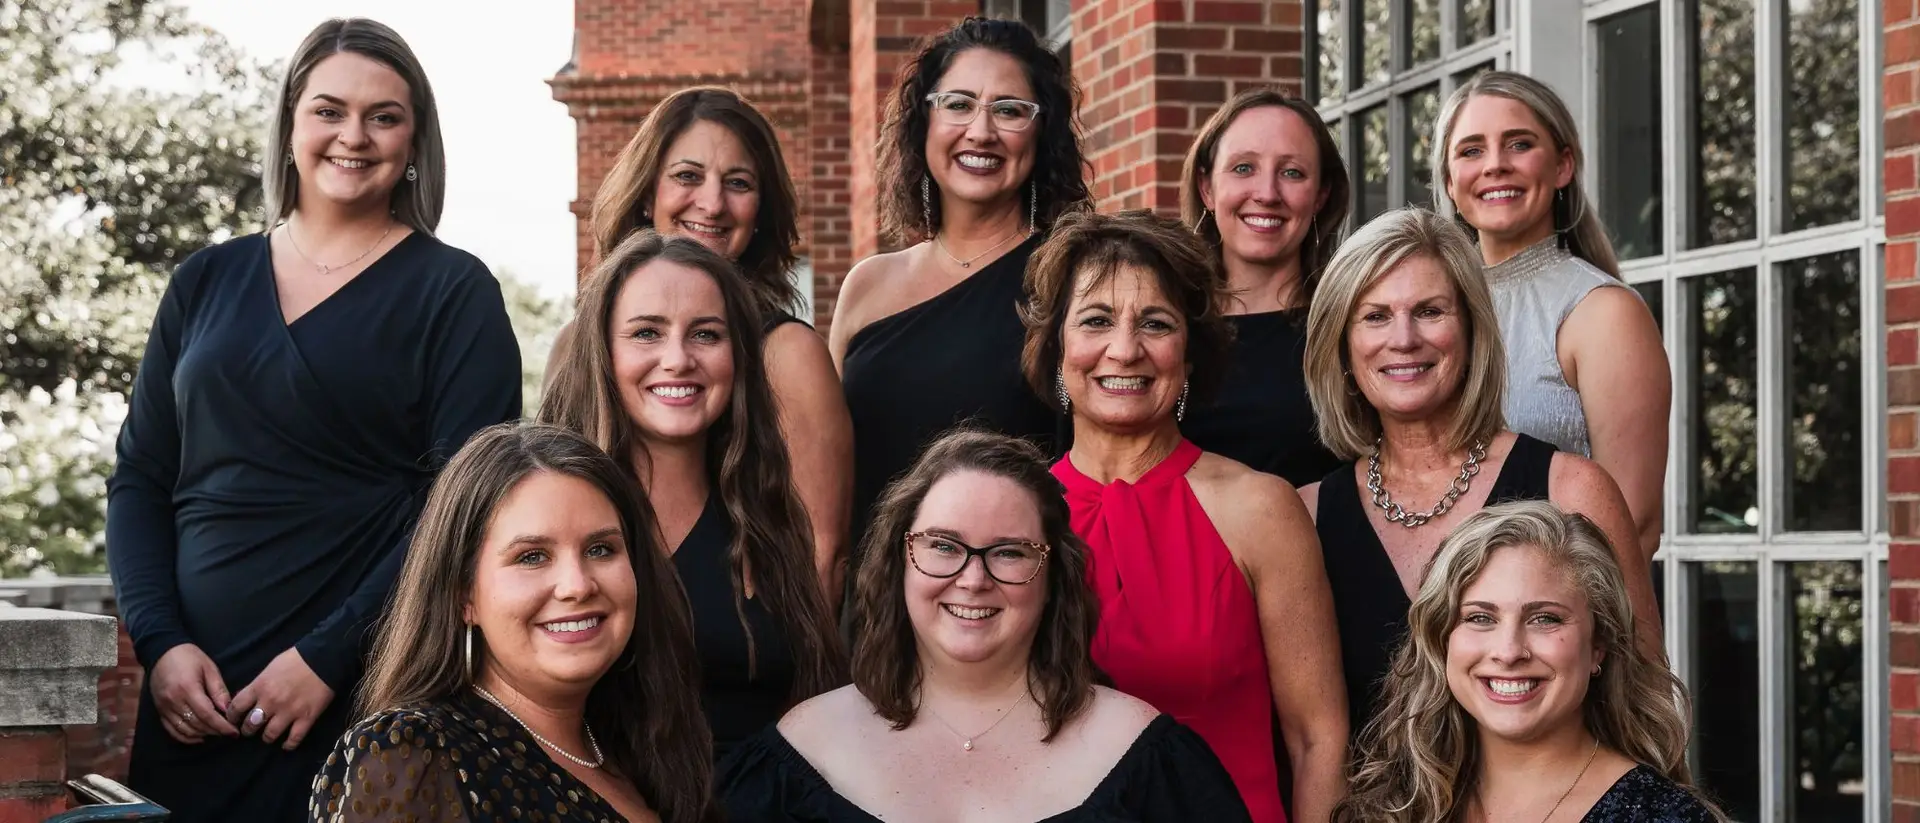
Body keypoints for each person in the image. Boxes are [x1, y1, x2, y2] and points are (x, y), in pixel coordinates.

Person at [105, 18, 521, 821]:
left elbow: (464, 510)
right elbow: (141, 479)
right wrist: (160, 646)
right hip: (195, 701)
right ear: (292, 123)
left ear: (414, 140)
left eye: (384, 116)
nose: (353, 137)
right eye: (329, 110)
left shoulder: (456, 293)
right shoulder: (204, 280)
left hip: (363, 693)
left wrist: (331, 656)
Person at [719, 429, 1254, 822]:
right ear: (898, 560)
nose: (973, 579)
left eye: (1009, 552)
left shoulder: (1145, 759)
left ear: (1053, 578)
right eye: (944, 546)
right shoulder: (796, 759)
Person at [1024, 210, 1347, 823]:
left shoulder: (1261, 509)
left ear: (1189, 354)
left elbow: (1317, 740)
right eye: (1096, 321)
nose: (1125, 349)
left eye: (1155, 323)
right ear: (1056, 349)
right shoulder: (1015, 515)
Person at [1298, 207, 1662, 741]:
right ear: (1343, 348)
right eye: (1374, 316)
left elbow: (1644, 703)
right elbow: (1308, 740)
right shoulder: (1305, 517)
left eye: (1429, 311)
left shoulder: (1573, 491)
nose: (1404, 338)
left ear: (1471, 332)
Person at [540, 231, 845, 763]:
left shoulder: (773, 516)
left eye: (705, 335)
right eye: (646, 334)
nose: (678, 359)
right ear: (603, 353)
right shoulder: (547, 514)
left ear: (739, 356)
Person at [309, 423, 715, 823]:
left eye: (600, 549)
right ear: (463, 595)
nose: (577, 585)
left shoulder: (646, 754)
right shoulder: (412, 754)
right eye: (532, 556)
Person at [549, 87, 852, 603]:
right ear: (647, 194)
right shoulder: (575, 345)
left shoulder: (788, 354)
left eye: (738, 183)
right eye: (688, 176)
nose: (712, 204)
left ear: (761, 210)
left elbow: (822, 560)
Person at [833, 16, 1093, 568]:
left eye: (1009, 110)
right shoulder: (866, 286)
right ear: (924, 120)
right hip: (871, 609)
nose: (981, 131)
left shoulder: (1071, 276)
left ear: (1041, 134)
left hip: (1010, 599)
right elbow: (823, 470)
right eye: (957, 104)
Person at [1333, 500, 1724, 822]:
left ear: (1599, 644)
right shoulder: (1397, 805)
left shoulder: (1666, 817)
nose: (1508, 651)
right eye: (1480, 617)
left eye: (1544, 619)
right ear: (1442, 640)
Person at [1431, 70, 1670, 565]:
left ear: (1563, 166)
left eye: (1519, 144)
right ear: (1451, 183)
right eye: (1471, 150)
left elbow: (1635, 527)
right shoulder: (1425, 308)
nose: (1495, 165)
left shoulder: (1603, 313)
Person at [1177, 89, 1351, 487]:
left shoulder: (1350, 326)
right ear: (1206, 188)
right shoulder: (1164, 321)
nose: (1267, 194)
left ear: (1321, 194)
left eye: (1292, 172)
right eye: (1243, 168)